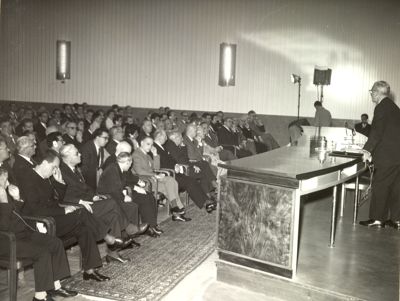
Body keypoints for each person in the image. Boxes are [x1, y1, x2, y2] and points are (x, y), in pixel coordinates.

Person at [0, 167, 78, 300]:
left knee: (55, 243)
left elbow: (17, 215)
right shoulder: (2, 197)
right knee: (42, 252)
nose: (7, 183)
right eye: (3, 180)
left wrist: (17, 199)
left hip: (22, 234)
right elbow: (4, 226)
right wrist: (5, 202)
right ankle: (40, 297)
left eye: (6, 179)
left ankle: (55, 286)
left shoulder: (4, 193)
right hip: (7, 241)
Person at [359, 81, 400, 229]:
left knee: (380, 185)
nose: (371, 95)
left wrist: (367, 150)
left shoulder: (381, 107)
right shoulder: (394, 107)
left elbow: (377, 132)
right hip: (397, 155)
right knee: (396, 188)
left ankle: (377, 219)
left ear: (376, 92)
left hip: (387, 156)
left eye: (371, 92)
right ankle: (396, 220)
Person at [98, 150, 162, 236]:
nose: (130, 166)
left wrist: (138, 184)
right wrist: (124, 197)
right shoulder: (112, 169)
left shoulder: (121, 168)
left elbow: (129, 178)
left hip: (123, 192)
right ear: (127, 163)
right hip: (111, 196)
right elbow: (113, 189)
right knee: (139, 202)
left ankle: (151, 226)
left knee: (149, 196)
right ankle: (135, 233)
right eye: (130, 164)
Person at [153, 130, 216, 213]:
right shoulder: (155, 148)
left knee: (191, 180)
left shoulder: (162, 146)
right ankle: (205, 202)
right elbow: (159, 165)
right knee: (190, 181)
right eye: (165, 136)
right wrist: (175, 166)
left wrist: (176, 165)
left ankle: (206, 202)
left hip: (174, 171)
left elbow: (172, 160)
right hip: (168, 174)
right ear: (158, 136)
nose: (166, 138)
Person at [132, 136, 191, 222]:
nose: (150, 146)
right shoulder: (136, 154)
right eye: (148, 144)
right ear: (141, 143)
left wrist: (155, 155)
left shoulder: (147, 155)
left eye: (151, 144)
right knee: (167, 188)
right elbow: (139, 171)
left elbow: (156, 168)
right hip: (145, 181)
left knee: (172, 181)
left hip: (153, 178)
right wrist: (155, 175)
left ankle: (175, 208)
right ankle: (177, 211)